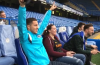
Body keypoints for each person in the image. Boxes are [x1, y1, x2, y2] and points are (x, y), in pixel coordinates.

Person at [18, 0, 68, 65]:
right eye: (35, 25)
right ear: (28, 27)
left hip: (48, 62)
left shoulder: (38, 33)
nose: (37, 27)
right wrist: (22, 6)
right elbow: (21, 23)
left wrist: (50, 10)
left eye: (37, 25)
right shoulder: (25, 36)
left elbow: (44, 23)